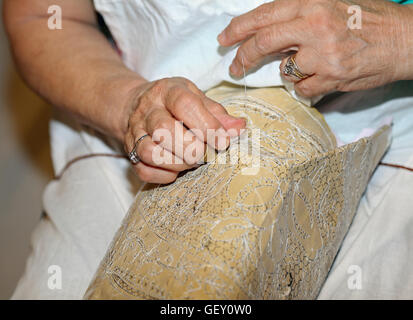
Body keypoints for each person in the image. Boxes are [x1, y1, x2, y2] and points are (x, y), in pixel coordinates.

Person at [3, 0, 413, 299]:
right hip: (141, 132)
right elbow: (42, 15)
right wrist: (130, 104)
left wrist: (399, 36)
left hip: (390, 134)